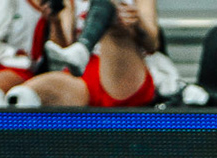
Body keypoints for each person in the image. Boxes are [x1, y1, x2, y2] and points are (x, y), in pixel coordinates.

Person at [17, 0, 159, 107]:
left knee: (112, 14)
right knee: (23, 95)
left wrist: (137, 23)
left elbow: (152, 45)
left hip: (122, 70)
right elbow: (62, 48)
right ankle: (81, 51)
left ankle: (83, 48)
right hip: (83, 74)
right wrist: (55, 21)